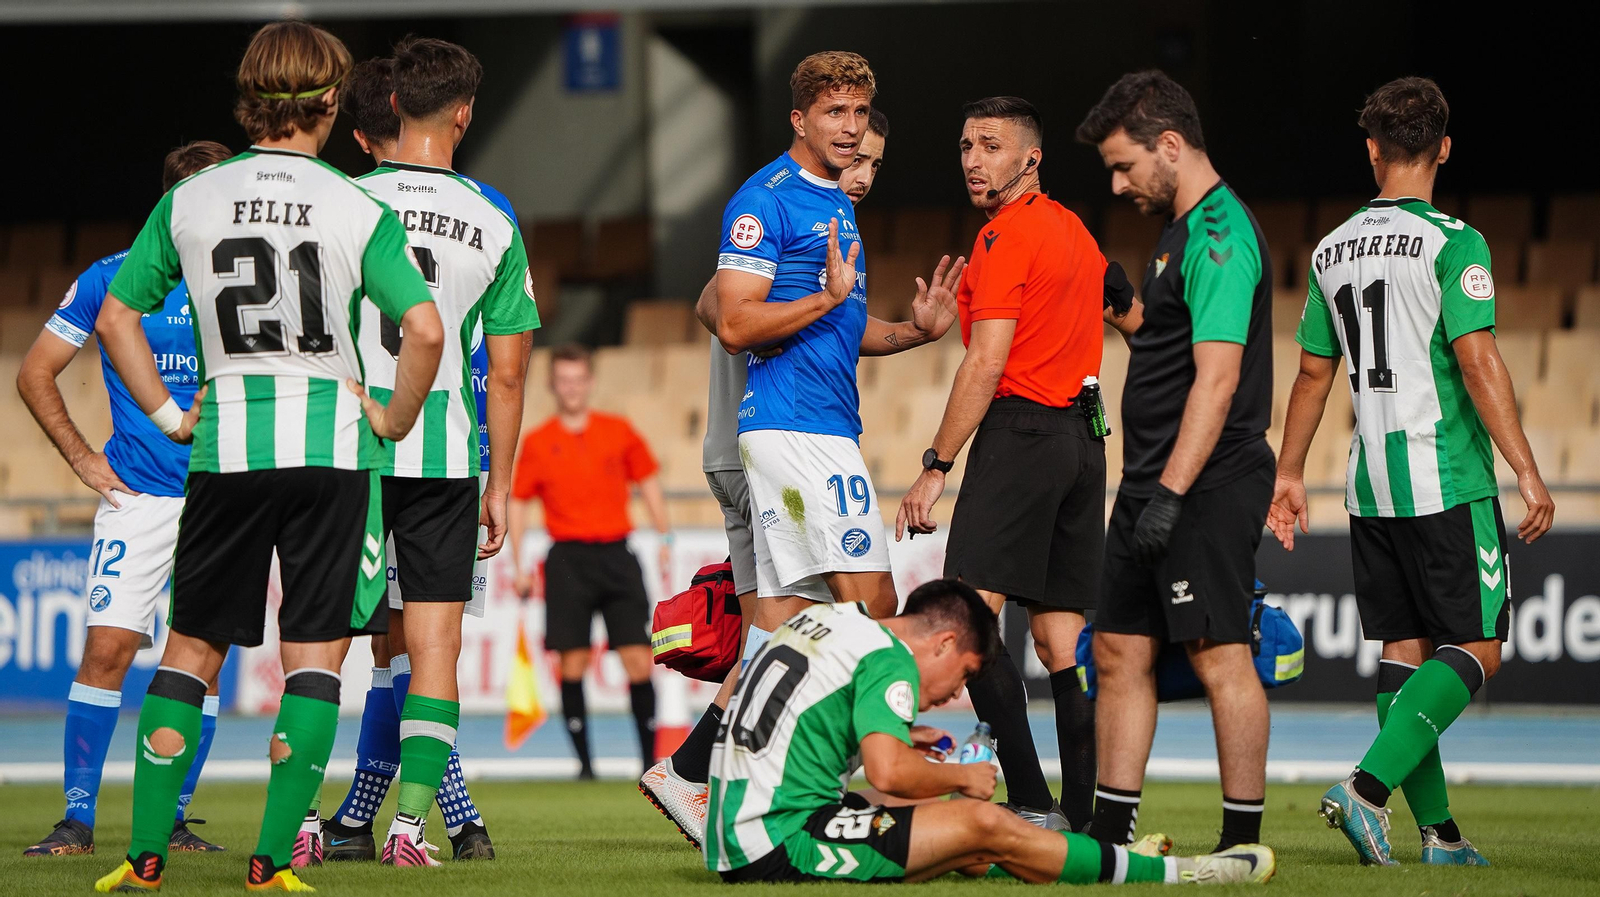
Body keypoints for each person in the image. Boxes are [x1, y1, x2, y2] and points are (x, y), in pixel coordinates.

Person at [90, 20, 444, 893]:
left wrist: (173, 418)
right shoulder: (358, 204)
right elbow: (426, 330)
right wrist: (393, 418)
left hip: (225, 450)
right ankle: (271, 861)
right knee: (315, 656)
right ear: (330, 100)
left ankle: (143, 862)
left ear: (248, 97)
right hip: (330, 451)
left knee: (190, 650)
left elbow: (116, 318)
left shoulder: (191, 199)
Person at [641, 108, 960, 847]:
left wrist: (909, 330)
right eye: (855, 153)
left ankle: (700, 771)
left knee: (778, 626)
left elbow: (740, 309)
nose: (863, 173)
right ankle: (844, 772)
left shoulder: (822, 224)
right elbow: (723, 313)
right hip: (774, 441)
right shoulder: (788, 213)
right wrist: (795, 312)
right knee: (858, 611)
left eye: (875, 162)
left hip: (743, 446)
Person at [1268, 77, 1555, 867]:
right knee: (1479, 646)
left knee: (1405, 648)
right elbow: (1478, 358)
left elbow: (1311, 377)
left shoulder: (1330, 248)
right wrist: (1526, 470)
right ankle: (1365, 788)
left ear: (1371, 150)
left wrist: (1289, 472)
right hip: (1446, 479)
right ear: (1445, 147)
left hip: (1370, 486)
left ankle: (1441, 834)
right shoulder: (1454, 241)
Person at [304, 48, 532, 868]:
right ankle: (411, 824)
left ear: (391, 108)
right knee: (427, 649)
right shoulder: (494, 213)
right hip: (444, 459)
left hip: (346, 449)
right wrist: (499, 482)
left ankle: (310, 820)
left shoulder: (340, 198)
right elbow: (505, 373)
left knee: (329, 642)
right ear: (464, 114)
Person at [895, 96, 1139, 834]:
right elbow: (1134, 314)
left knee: (972, 619)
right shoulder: (1077, 232)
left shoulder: (1005, 235)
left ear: (1031, 158)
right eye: (966, 143)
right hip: (1084, 443)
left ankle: (1031, 800)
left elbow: (989, 359)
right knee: (1060, 640)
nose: (973, 157)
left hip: (1021, 434)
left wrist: (936, 462)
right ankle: (1094, 818)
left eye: (991, 145)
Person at [705, 578, 1274, 885]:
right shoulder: (889, 659)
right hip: (777, 842)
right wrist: (965, 776)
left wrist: (879, 744)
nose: (956, 693)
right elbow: (889, 770)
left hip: (735, 827)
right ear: (945, 642)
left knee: (964, 844)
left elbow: (794, 736)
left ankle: (1074, 853)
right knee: (982, 818)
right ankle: (1181, 874)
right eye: (966, 675)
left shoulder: (827, 620)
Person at [1074, 71, 1275, 851]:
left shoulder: (1220, 234)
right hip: (1150, 483)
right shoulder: (1176, 235)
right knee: (1120, 650)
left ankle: (1240, 844)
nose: (1119, 183)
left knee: (1221, 652)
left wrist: (1170, 494)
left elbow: (1218, 377)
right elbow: (1169, 353)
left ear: (1169, 144)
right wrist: (1127, 310)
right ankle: (1112, 832)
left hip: (1203, 481)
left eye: (1125, 166)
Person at [17, 141, 234, 859]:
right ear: (173, 204)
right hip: (137, 496)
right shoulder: (112, 279)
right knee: (106, 650)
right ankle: (77, 820)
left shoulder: (239, 285)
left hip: (221, 499)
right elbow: (37, 371)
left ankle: (172, 818)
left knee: (200, 664)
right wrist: (81, 456)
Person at [507, 344, 673, 779]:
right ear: (553, 385)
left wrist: (664, 535)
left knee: (639, 657)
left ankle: (647, 761)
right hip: (567, 560)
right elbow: (519, 504)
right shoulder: (539, 442)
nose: (572, 388)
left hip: (617, 554)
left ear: (590, 382)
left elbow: (649, 480)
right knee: (572, 662)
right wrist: (519, 562)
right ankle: (585, 765)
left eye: (578, 379)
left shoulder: (618, 430)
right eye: (563, 380)